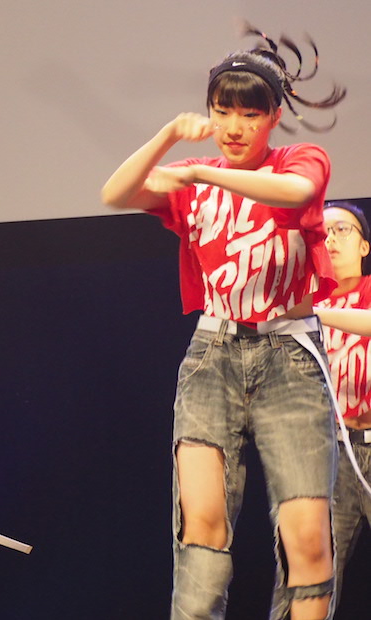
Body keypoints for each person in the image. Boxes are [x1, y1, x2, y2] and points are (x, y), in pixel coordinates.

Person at [101, 26, 346, 620]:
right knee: (202, 526)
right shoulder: (196, 180)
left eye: (249, 114)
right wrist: (168, 137)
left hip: (290, 358)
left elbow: (295, 192)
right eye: (222, 111)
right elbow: (116, 193)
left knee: (308, 536)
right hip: (212, 356)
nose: (234, 127)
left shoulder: (297, 161)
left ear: (274, 117)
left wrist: (201, 173)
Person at [313, 201, 371, 613]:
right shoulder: (307, 301)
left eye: (342, 230)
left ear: (364, 246)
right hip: (331, 452)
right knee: (310, 572)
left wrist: (314, 313)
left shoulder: (314, 308)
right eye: (323, 233)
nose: (331, 239)